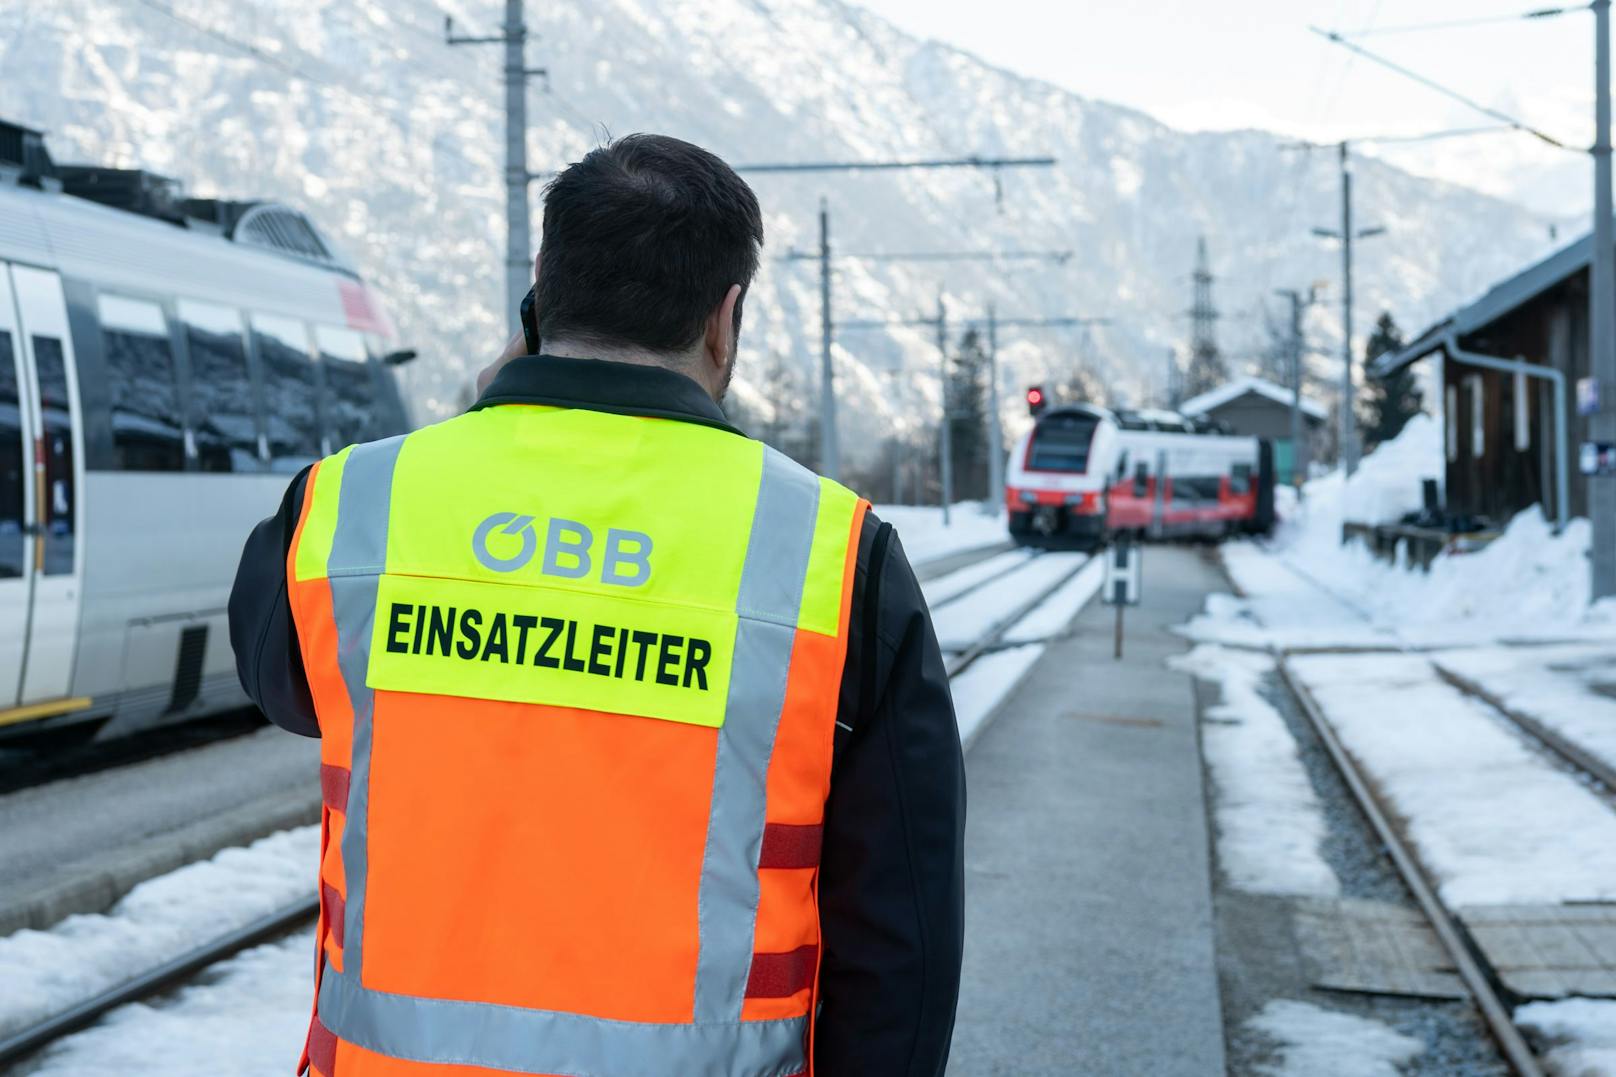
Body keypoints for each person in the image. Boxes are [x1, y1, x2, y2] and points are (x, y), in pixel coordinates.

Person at [229, 133, 964, 1077]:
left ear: (540, 285)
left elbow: (282, 685)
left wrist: (484, 423)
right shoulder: (830, 549)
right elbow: (901, 927)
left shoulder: (351, 505)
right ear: (724, 318)